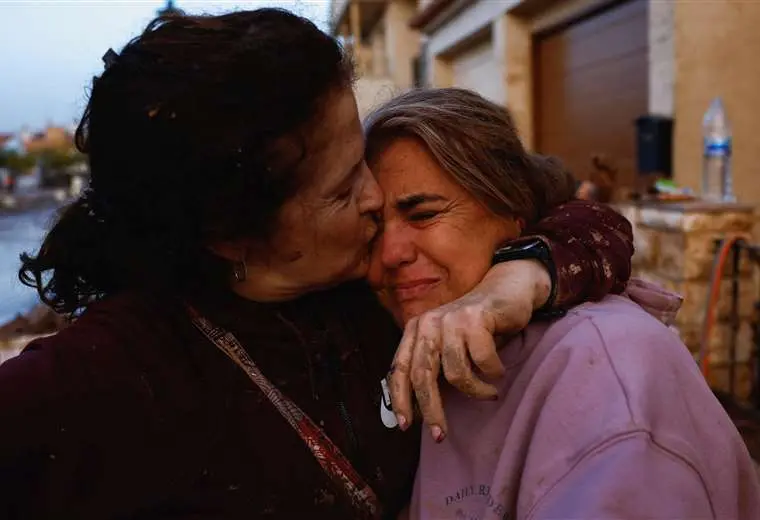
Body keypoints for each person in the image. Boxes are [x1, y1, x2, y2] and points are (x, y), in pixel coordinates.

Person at [0, 10, 633, 520]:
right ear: (230, 237)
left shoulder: (368, 282)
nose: (374, 196)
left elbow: (586, 218)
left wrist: (518, 276)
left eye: (361, 158)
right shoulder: (111, 376)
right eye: (340, 190)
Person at [365, 87, 760, 520]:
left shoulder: (607, 374)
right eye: (371, 227)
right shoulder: (398, 336)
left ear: (512, 211)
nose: (389, 254)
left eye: (423, 215)